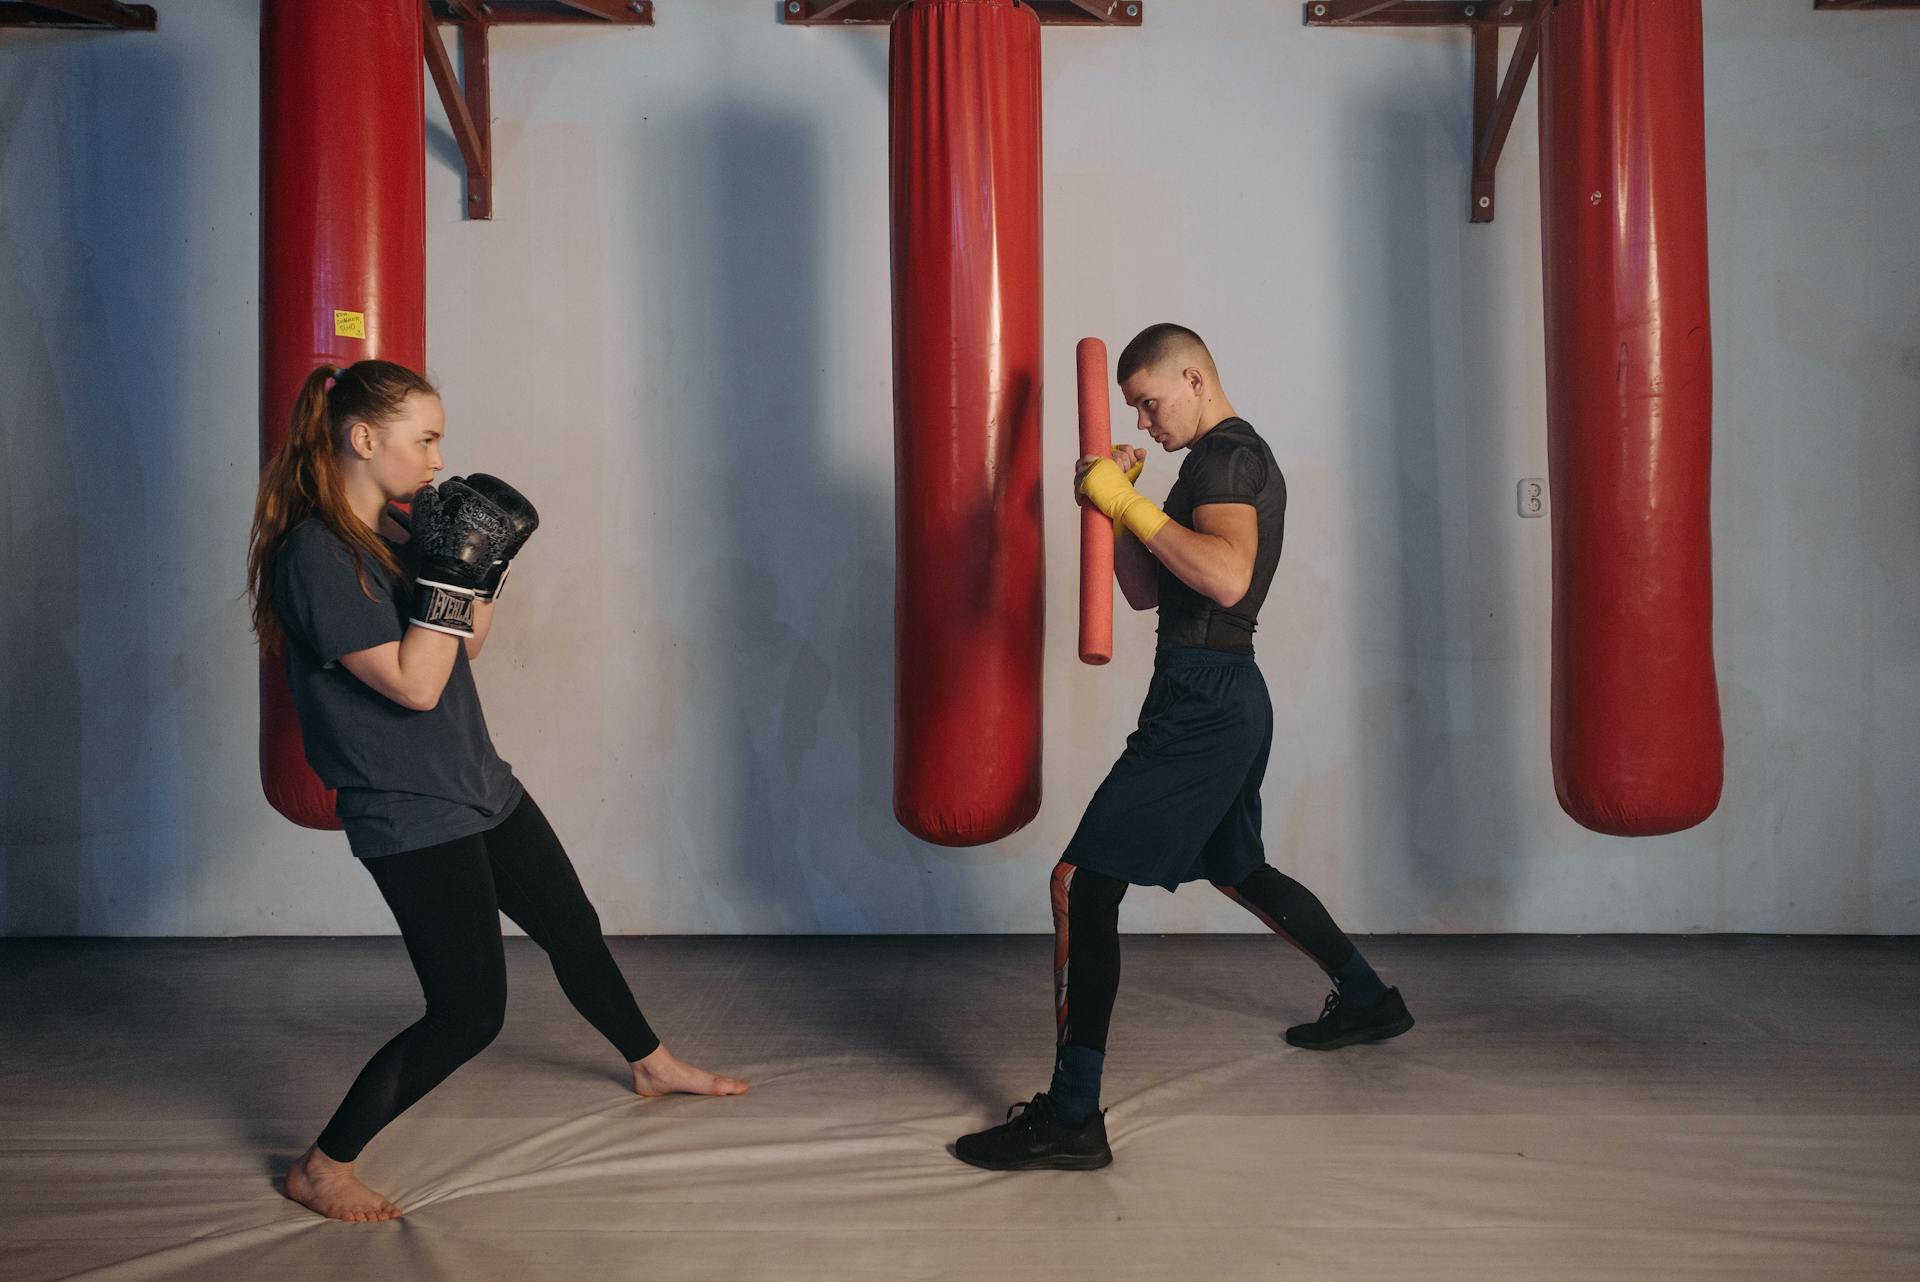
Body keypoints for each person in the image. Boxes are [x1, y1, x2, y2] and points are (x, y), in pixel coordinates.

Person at [246, 359, 746, 1222]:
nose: (440, 459)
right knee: (470, 1011)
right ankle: (322, 1167)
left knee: (570, 926)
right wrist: (446, 580)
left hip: (479, 781)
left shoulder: (397, 535)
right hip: (410, 809)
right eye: (425, 439)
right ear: (364, 440)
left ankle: (649, 1060)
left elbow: (465, 646)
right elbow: (414, 684)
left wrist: (482, 566)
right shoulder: (315, 559)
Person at [954, 324, 1413, 1172]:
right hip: (1217, 693)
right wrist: (1115, 507)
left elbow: (1228, 577)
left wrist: (1130, 503)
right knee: (1238, 867)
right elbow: (1140, 593)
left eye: (1150, 402)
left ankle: (1071, 1115)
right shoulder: (1200, 469)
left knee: (1079, 884)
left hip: (1206, 701)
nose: (1146, 419)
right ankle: (1368, 998)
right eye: (1132, 407)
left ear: (1194, 377)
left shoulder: (1227, 457)